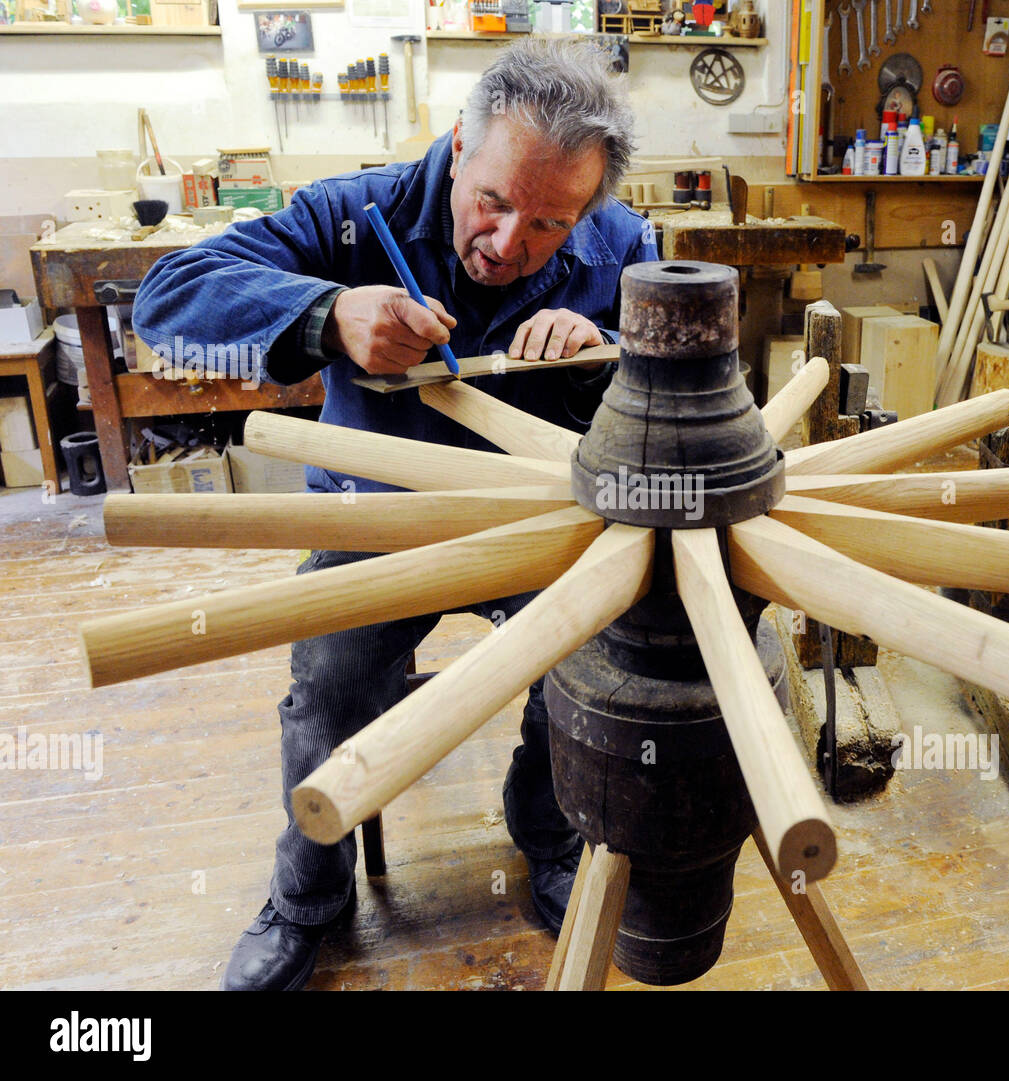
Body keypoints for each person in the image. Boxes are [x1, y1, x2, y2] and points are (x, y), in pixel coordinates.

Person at [132, 37, 657, 991]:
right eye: (492, 202)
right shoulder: (351, 215)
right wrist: (327, 314)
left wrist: (605, 347)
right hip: (379, 521)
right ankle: (309, 895)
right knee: (327, 682)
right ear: (460, 142)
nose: (507, 245)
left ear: (588, 206)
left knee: (603, 661)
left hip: (538, 528)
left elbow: (663, 390)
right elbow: (166, 300)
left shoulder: (621, 244)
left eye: (548, 223)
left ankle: (545, 833)